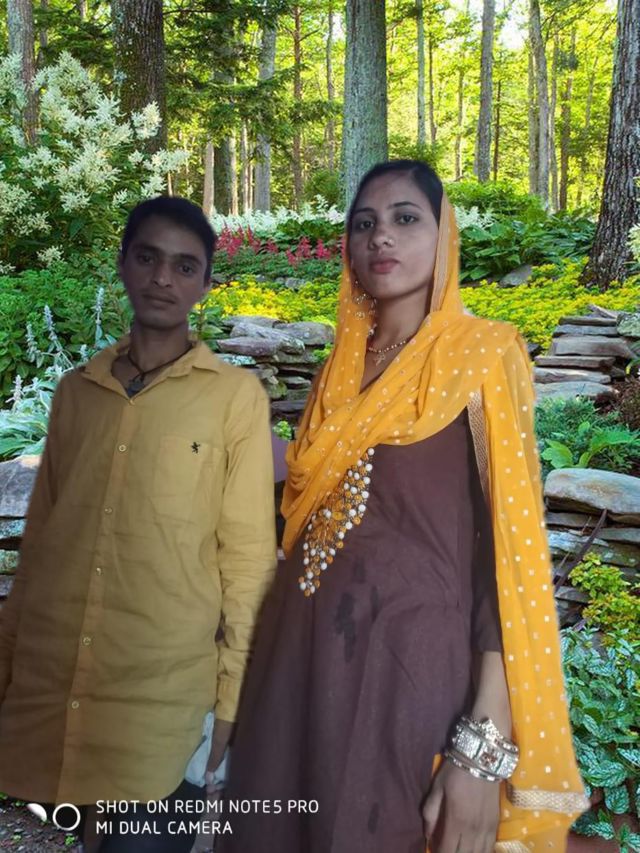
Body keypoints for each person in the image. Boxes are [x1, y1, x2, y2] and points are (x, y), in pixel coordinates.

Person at [219, 161, 588, 853]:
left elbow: (507, 558)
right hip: (293, 663)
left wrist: (482, 748)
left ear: (444, 234)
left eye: (405, 218)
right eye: (364, 224)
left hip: (404, 676)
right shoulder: (337, 371)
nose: (380, 236)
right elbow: (311, 504)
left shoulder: (482, 355)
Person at [0, 196, 277, 852]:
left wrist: (233, 699)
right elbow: (41, 548)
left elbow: (247, 560)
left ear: (205, 284)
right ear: (123, 264)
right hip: (58, 685)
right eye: (148, 258)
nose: (162, 278)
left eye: (185, 266)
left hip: (164, 704)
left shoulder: (233, 399)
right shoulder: (77, 393)